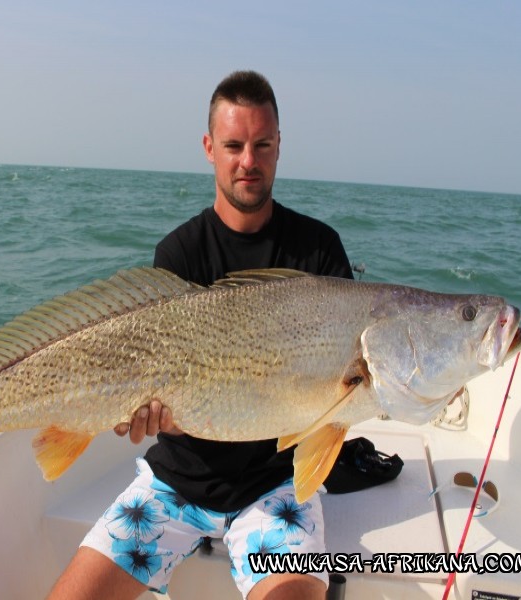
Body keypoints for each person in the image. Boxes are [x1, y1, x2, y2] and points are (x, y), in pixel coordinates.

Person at [48, 71, 353, 599]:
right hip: (174, 486)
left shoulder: (319, 252)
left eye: (262, 144)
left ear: (279, 145)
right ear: (210, 148)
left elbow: (338, 400)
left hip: (274, 487)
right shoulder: (179, 253)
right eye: (234, 145)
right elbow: (159, 382)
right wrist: (146, 415)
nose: (248, 161)